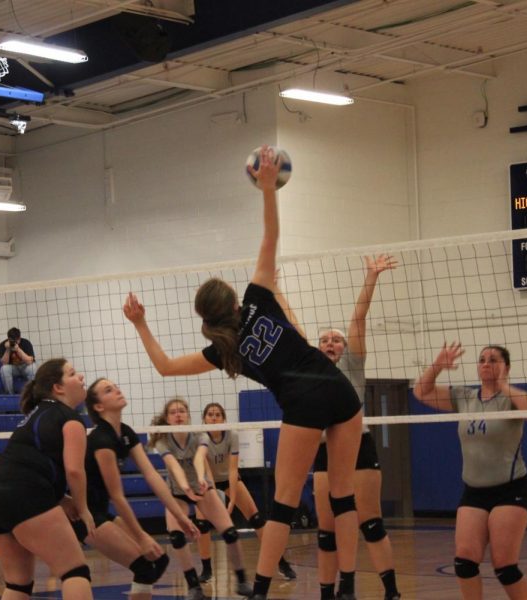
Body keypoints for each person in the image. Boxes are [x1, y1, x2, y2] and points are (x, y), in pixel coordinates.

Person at [123, 147, 363, 600]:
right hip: (336, 387)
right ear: (234, 300)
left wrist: (140, 323)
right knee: (344, 495)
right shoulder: (259, 297)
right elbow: (271, 234)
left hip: (302, 404)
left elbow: (165, 367)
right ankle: (347, 584)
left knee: (285, 505)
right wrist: (268, 188)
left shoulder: (222, 351)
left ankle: (262, 590)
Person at [413, 343, 527, 600]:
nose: (486, 364)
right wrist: (438, 365)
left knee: (505, 566)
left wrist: (504, 384)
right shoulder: (465, 397)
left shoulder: (511, 399)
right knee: (464, 562)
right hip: (474, 491)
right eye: (482, 359)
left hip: (510, 489)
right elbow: (421, 392)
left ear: (506, 366)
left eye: (493, 360)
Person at [313, 254, 400, 600]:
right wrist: (274, 288)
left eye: (336, 339)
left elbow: (358, 318)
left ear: (346, 349)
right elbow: (291, 330)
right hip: (322, 449)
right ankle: (327, 593)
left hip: (358, 446)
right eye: (325, 340)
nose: (331, 343)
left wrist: (371, 276)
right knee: (326, 529)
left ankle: (390, 591)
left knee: (370, 523)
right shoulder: (308, 372)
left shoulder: (352, 365)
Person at [0, 358, 94, 600]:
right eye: (72, 373)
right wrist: (83, 508)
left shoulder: (34, 415)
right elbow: (74, 470)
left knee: (18, 583)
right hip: (22, 494)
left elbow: (28, 462)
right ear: (58, 387)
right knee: (75, 571)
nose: (81, 377)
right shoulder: (71, 420)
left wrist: (59, 497)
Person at [80, 377, 200, 600]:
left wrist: (180, 517)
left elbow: (152, 475)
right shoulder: (101, 439)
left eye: (116, 386)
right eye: (109, 390)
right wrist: (141, 536)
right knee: (145, 565)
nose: (117, 390)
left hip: (101, 512)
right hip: (84, 517)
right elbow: (117, 496)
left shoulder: (124, 432)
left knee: (159, 560)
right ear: (99, 406)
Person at [147, 398, 252, 600]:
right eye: (173, 412)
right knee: (177, 538)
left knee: (230, 533)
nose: (178, 414)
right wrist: (185, 486)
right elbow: (173, 465)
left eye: (181, 411)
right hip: (178, 493)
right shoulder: (162, 441)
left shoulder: (199, 435)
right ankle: (194, 587)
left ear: (188, 415)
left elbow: (198, 458)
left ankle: (241, 580)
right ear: (167, 419)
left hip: (202, 489)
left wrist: (199, 479)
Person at [196, 402, 297, 584]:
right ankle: (206, 570)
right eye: (210, 414)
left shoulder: (231, 434)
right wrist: (213, 498)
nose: (213, 417)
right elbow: (206, 472)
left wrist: (232, 500)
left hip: (229, 478)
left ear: (223, 418)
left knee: (256, 519)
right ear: (204, 418)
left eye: (217, 414)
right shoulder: (200, 437)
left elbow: (233, 470)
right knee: (202, 524)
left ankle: (281, 563)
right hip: (206, 480)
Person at [0, 327, 36, 394]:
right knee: (4, 369)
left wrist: (18, 349)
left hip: (25, 367)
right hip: (13, 368)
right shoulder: (3, 345)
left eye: (17, 340)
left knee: (33, 368)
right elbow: (4, 363)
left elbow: (30, 361)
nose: (15, 342)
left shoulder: (26, 343)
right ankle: (10, 394)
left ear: (19, 338)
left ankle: (32, 394)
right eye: (12, 340)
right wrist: (8, 349)